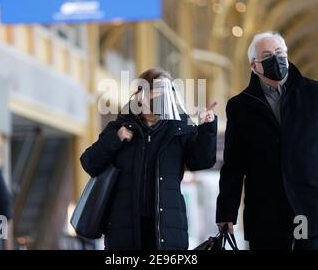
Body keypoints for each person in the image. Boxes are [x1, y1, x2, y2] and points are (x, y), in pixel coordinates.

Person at [216, 31, 318, 250]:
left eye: (279, 52)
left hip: (312, 208)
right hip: (266, 213)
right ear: (254, 66)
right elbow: (233, 164)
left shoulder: (317, 94)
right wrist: (226, 211)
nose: (276, 58)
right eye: (267, 55)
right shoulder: (240, 107)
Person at [81, 68, 218, 250]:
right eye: (158, 89)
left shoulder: (179, 129)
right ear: (141, 93)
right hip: (125, 231)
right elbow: (89, 162)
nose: (164, 96)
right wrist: (116, 138)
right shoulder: (119, 127)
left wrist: (207, 128)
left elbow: (202, 161)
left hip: (168, 230)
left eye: (168, 90)